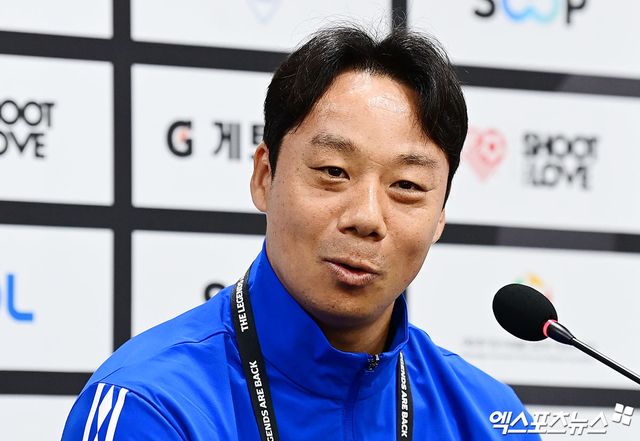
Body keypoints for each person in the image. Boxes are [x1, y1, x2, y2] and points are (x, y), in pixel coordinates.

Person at [62, 26, 539, 440]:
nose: (366, 217)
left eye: (407, 186)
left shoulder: (491, 419)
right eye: (333, 171)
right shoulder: (152, 406)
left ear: (440, 216)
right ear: (264, 176)